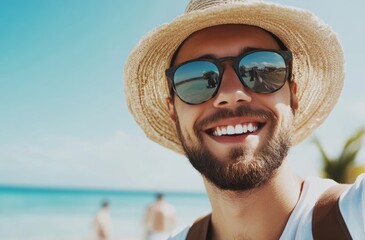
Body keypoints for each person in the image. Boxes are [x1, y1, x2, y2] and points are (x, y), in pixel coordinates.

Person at [124, 0, 364, 239]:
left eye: (260, 71)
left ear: (294, 96)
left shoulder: (355, 215)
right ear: (172, 111)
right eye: (198, 77)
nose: (230, 94)